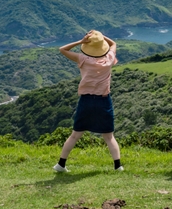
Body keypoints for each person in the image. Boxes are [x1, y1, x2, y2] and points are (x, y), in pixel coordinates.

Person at [53, 30, 123, 173]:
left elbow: (62, 49)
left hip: (86, 100)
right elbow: (114, 43)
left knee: (75, 134)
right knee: (109, 136)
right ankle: (118, 166)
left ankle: (61, 164)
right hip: (104, 101)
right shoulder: (109, 58)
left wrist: (81, 41)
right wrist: (101, 37)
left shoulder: (83, 59)